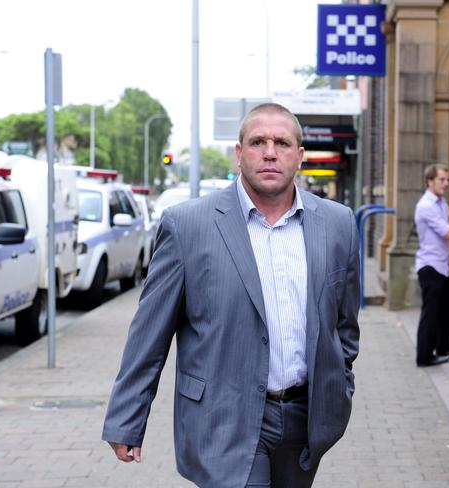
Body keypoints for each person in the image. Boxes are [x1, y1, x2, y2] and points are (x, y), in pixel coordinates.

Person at [102, 103, 360, 487]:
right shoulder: (188, 225)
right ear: (239, 154)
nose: (270, 152)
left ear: (300, 157)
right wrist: (127, 417)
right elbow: (149, 333)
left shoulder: (338, 224)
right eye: (257, 142)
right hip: (223, 419)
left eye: (282, 143)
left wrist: (340, 387)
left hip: (305, 421)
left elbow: (345, 325)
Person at [414, 163, 449, 367]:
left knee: (446, 309)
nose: (446, 183)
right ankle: (424, 356)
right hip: (430, 266)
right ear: (430, 181)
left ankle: (443, 346)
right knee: (430, 314)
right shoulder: (426, 206)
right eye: (442, 179)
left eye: (448, 180)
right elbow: (448, 232)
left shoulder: (440, 202)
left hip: (443, 265)